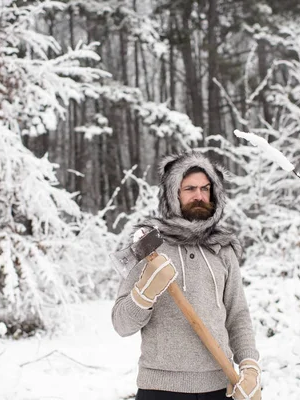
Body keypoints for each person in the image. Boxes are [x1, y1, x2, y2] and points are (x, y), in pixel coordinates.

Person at [111, 152, 261, 400]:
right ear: (173, 194)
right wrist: (144, 293)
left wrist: (250, 367)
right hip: (160, 389)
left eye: (205, 188)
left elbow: (238, 316)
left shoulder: (222, 248)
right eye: (189, 188)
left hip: (219, 385)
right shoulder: (149, 246)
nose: (199, 196)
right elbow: (121, 324)